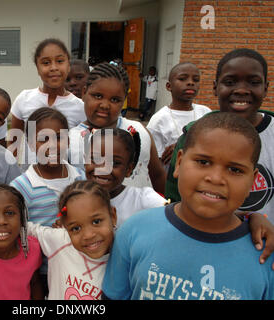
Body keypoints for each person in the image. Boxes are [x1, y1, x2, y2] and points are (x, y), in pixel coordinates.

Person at [103, 113, 274, 300]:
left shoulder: (266, 255)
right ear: (179, 162)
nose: (215, 178)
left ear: (253, 181)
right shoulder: (134, 231)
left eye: (235, 170)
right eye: (203, 162)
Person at [165, 49, 274, 228]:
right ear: (215, 87)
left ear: (266, 88)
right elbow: (174, 198)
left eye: (253, 82)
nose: (241, 90)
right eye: (230, 82)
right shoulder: (193, 135)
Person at [9, 107, 85, 295]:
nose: (53, 145)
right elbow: (16, 228)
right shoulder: (22, 186)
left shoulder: (80, 178)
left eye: (59, 137)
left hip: (77, 266)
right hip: (39, 272)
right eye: (44, 139)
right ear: (30, 143)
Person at [68, 62, 167, 194]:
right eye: (98, 96)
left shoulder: (138, 131)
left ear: (124, 100)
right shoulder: (70, 140)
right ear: (84, 92)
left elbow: (158, 175)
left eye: (114, 99)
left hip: (141, 212)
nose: (104, 105)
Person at [27, 180, 117, 300]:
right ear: (65, 228)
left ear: (113, 216)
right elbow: (27, 228)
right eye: (76, 228)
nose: (88, 235)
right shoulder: (60, 241)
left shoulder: (124, 258)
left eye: (96, 222)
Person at [9, 38, 86, 167]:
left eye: (60, 61)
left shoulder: (80, 107)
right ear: (38, 68)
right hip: (30, 179)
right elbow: (13, 141)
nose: (53, 68)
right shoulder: (24, 99)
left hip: (64, 180)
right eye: (46, 63)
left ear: (68, 66)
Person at [85, 128, 167, 227]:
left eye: (115, 163)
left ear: (129, 169)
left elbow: (175, 219)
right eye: (95, 159)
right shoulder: (77, 200)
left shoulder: (143, 200)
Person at [147, 62, 211, 170]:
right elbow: (155, 164)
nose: (190, 83)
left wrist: (183, 147)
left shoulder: (205, 113)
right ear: (169, 86)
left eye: (195, 80)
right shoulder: (159, 120)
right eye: (182, 79)